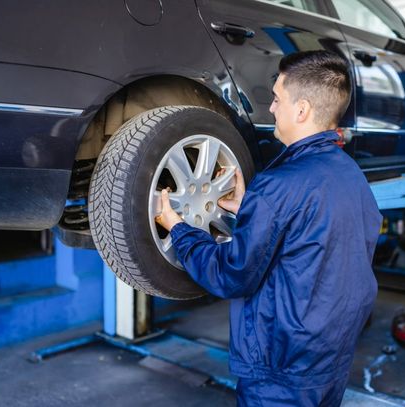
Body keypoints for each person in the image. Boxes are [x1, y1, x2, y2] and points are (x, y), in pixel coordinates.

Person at [156, 50, 382, 407]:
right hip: (330, 362)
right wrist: (252, 208)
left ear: (302, 109)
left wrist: (178, 227)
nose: (272, 108)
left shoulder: (278, 184)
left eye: (277, 99)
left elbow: (231, 275)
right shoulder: (350, 175)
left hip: (281, 370)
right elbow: (314, 235)